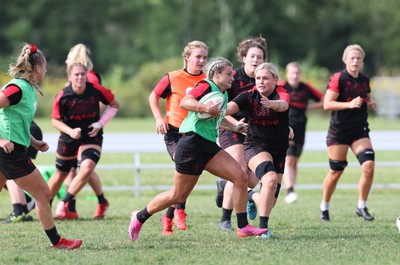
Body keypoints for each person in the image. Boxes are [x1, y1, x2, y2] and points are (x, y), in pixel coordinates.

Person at [128, 57, 268, 241]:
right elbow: (186, 101)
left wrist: (235, 127)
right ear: (216, 74)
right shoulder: (206, 85)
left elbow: (217, 117)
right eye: (228, 74)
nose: (232, 78)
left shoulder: (223, 93)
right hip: (191, 144)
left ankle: (243, 227)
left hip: (207, 144)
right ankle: (139, 217)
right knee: (177, 195)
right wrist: (204, 107)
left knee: (240, 177)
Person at [0, 43, 82, 249]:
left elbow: (15, 120)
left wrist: (34, 142)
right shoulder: (16, 88)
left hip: (11, 149)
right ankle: (57, 242)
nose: (45, 71)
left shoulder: (25, 89)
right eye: (45, 67)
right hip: (8, 152)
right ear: (37, 69)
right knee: (44, 195)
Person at [48, 51, 119, 220]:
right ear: (70, 77)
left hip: (91, 135)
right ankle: (45, 204)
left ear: (87, 75)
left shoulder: (95, 90)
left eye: (82, 74)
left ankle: (65, 202)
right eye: (76, 75)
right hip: (68, 136)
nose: (80, 78)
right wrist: (70, 131)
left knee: (86, 167)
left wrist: (100, 123)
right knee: (61, 174)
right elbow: (54, 121)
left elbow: (114, 105)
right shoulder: (63, 96)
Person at [149, 40, 208, 236]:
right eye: (197, 57)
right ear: (187, 57)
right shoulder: (173, 77)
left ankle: (167, 216)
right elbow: (153, 96)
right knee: (184, 166)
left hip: (197, 133)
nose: (201, 60)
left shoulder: (208, 79)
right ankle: (179, 209)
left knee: (189, 175)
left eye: (204, 57)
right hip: (174, 133)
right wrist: (159, 118)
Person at [226, 62, 290, 238]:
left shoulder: (281, 93)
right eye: (258, 78)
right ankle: (264, 229)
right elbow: (229, 108)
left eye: (265, 78)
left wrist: (272, 104)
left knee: (270, 200)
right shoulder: (249, 95)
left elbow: (283, 105)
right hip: (255, 145)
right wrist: (216, 109)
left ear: (275, 80)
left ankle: (251, 196)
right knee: (269, 180)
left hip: (279, 148)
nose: (260, 82)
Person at [319, 44, 377, 222]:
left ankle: (361, 206)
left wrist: (370, 102)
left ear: (362, 61)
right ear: (345, 60)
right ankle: (324, 206)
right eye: (352, 58)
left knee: (368, 166)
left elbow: (365, 97)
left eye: (358, 58)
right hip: (339, 131)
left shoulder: (364, 79)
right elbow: (327, 104)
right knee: (336, 171)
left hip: (359, 130)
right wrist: (349, 104)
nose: (355, 61)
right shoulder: (339, 78)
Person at [215, 36, 267, 231]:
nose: (256, 60)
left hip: (255, 132)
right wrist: (236, 124)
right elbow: (221, 109)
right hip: (231, 127)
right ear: (244, 58)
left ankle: (228, 186)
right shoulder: (233, 77)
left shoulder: (265, 79)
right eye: (252, 56)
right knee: (239, 171)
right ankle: (225, 219)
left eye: (259, 57)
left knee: (253, 178)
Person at [278, 62, 324, 203]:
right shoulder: (281, 85)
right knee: (289, 158)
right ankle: (289, 190)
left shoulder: (305, 88)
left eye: (297, 73)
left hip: (301, 127)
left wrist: (309, 107)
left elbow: (323, 99)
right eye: (292, 73)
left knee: (294, 161)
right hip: (286, 126)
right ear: (287, 74)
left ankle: (290, 189)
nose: (295, 75)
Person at [1, 121, 42, 223]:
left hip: (20, 132)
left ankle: (18, 211)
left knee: (11, 170)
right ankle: (25, 204)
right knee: (5, 172)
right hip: (24, 130)